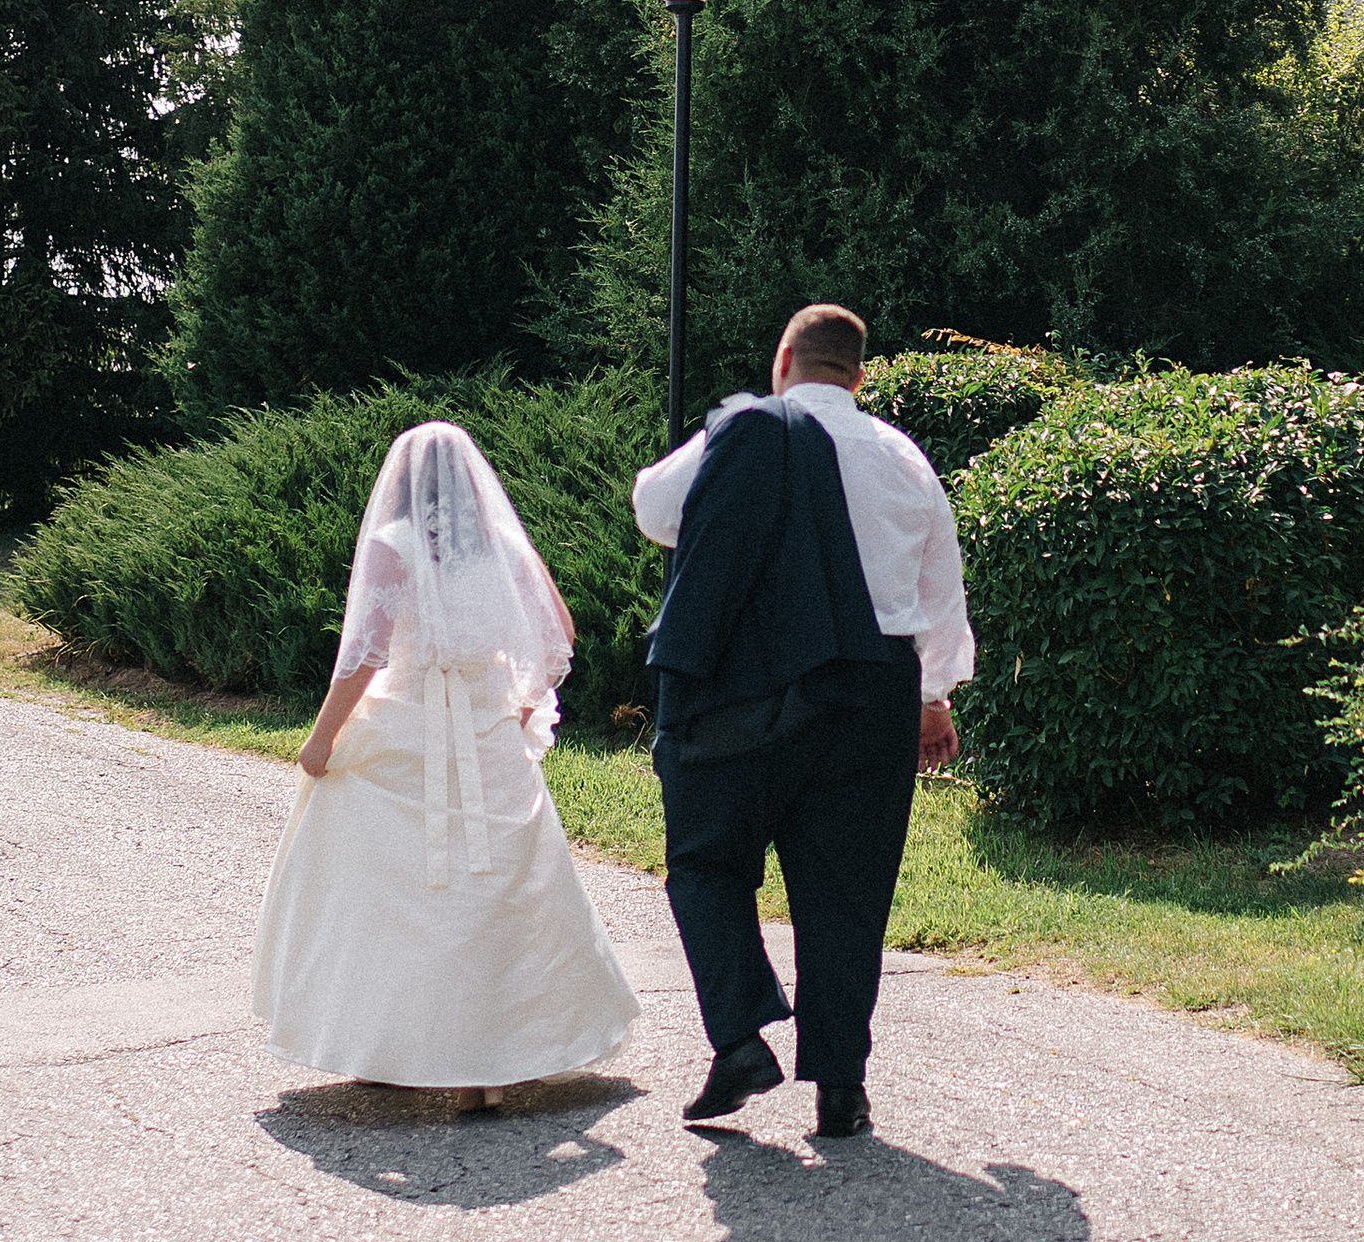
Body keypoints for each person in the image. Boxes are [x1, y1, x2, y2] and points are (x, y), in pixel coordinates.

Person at [632, 302, 972, 1140]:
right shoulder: (902, 456)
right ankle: (841, 1087)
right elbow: (938, 592)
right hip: (874, 693)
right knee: (847, 893)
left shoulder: (745, 430)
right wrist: (933, 696)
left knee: (708, 862)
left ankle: (740, 1036)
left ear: (785, 356)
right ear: (861, 374)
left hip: (751, 684)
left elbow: (655, 508)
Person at [253, 420, 637, 1102]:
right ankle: (498, 1061)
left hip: (407, 729)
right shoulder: (500, 548)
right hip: (487, 731)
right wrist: (517, 702)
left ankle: (393, 1043)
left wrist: (320, 739)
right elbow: (560, 634)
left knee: (384, 887)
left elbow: (366, 655)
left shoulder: (390, 546)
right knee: (500, 890)